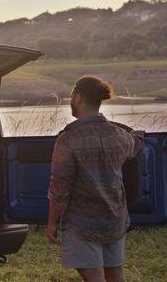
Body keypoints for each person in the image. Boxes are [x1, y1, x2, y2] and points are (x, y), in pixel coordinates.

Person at [46, 76, 145, 282]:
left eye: (71, 96)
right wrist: (139, 134)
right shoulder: (118, 135)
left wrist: (51, 223)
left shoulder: (68, 140)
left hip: (82, 224)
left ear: (78, 98)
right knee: (115, 273)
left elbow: (59, 189)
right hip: (115, 221)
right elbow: (136, 144)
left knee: (94, 277)